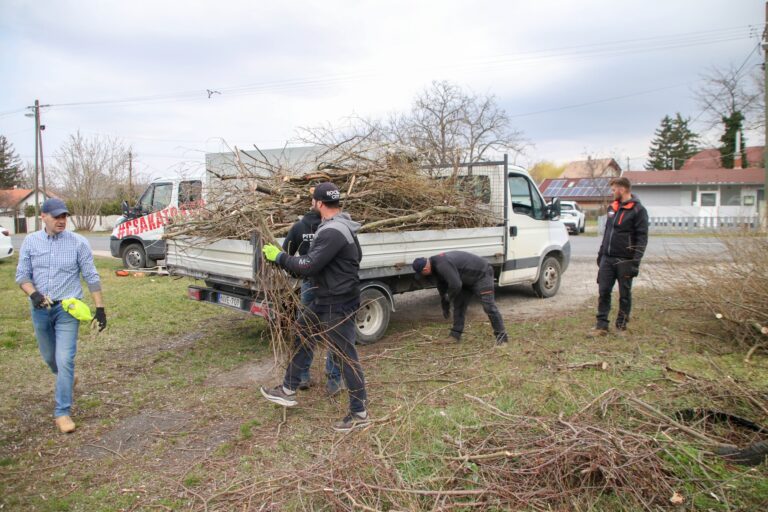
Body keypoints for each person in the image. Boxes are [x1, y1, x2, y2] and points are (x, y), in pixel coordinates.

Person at [260, 182, 369, 432]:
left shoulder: (332, 231)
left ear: (319, 203)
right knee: (302, 332)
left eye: (313, 200)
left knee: (345, 356)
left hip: (337, 301)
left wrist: (280, 257)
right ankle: (288, 388)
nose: (312, 204)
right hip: (325, 297)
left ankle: (359, 412)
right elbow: (355, 257)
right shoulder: (343, 226)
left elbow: (308, 265)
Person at [15, 198, 107, 434]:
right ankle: (66, 377)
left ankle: (62, 412)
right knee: (50, 357)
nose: (61, 221)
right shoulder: (31, 242)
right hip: (41, 309)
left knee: (65, 359)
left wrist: (100, 308)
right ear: (42, 217)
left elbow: (91, 276)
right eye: (56, 216)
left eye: (64, 216)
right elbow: (22, 276)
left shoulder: (78, 242)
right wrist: (34, 294)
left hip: (67, 309)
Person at [282, 201, 344, 396]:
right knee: (335, 331)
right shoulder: (333, 227)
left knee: (306, 330)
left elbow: (286, 255)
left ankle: (302, 376)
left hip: (310, 284)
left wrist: (298, 272)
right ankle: (334, 380)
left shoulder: (299, 227)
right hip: (333, 286)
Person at [589, 177, 649, 336]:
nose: (612, 192)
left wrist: (635, 261)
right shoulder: (612, 208)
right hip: (607, 259)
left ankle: (621, 326)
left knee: (624, 294)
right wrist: (601, 254)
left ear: (622, 189)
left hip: (625, 259)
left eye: (614, 189)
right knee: (603, 291)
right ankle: (601, 325)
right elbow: (607, 233)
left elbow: (642, 238)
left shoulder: (638, 210)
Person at [412, 251, 508, 345]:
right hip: (465, 279)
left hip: (482, 275)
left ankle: (502, 338)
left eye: (421, 273)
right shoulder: (434, 267)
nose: (423, 276)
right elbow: (442, 286)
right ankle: (455, 336)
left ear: (425, 269)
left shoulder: (442, 264)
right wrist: (444, 304)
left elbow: (455, 285)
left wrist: (448, 297)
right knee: (459, 305)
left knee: (489, 307)